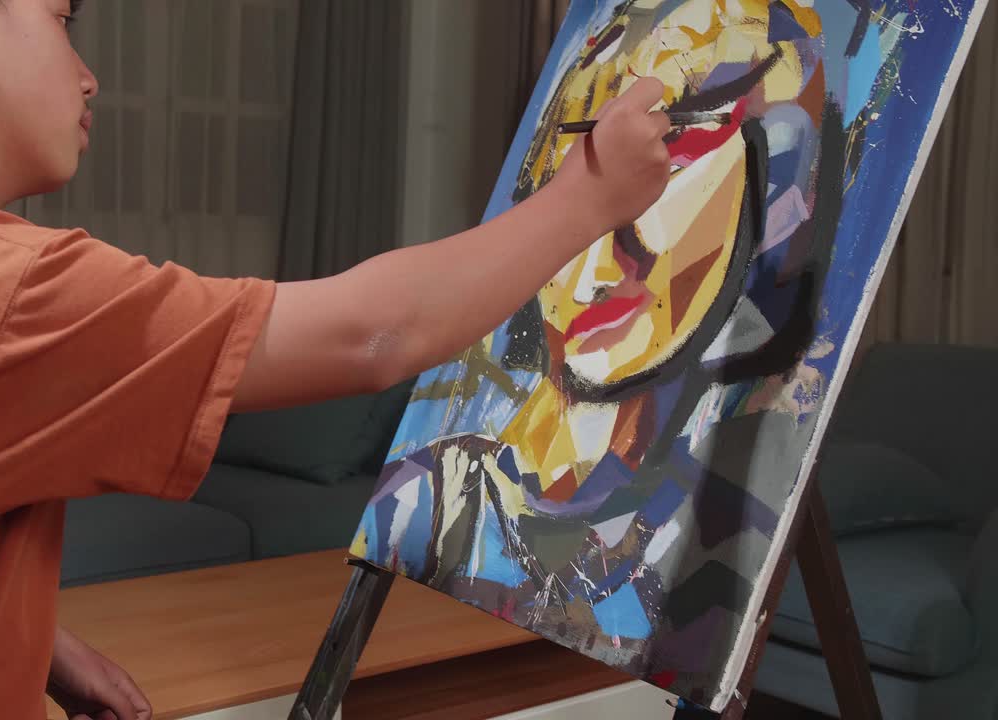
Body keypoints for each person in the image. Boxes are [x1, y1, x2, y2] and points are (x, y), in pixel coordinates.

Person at [0, 1, 673, 718]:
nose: (88, 74)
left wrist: (35, 642)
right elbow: (372, 335)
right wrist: (592, 195)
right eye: (61, 17)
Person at [352, 0, 901, 700]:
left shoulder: (721, 533)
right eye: (568, 169)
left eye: (671, 144)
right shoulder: (432, 502)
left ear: (786, 175)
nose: (599, 247)